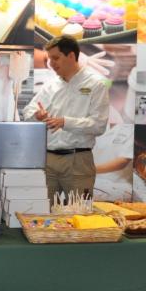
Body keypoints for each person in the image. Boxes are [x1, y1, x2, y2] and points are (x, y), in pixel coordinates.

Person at [23, 35, 109, 203]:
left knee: (80, 212)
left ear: (71, 56)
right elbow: (28, 110)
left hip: (78, 161)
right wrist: (36, 115)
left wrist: (65, 122)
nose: (51, 63)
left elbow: (99, 125)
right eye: (49, 59)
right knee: (42, 210)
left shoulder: (96, 84)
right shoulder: (51, 84)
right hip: (48, 160)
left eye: (56, 58)